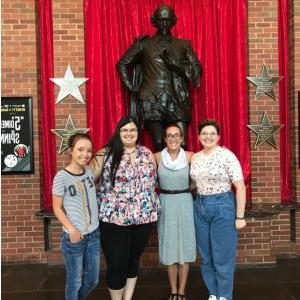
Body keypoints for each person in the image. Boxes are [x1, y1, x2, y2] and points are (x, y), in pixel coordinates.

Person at [90, 116, 160, 300]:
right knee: (116, 264)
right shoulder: (105, 154)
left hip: (143, 216)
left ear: (138, 133)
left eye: (133, 130)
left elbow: (153, 182)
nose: (129, 133)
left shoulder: (146, 153)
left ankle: (127, 298)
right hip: (114, 217)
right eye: (124, 130)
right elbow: (87, 180)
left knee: (133, 259)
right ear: (118, 132)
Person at [117, 4, 202, 151]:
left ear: (173, 21)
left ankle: (183, 174)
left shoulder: (183, 45)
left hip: (178, 98)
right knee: (158, 143)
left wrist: (177, 66)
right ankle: (158, 174)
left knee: (182, 144)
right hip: (151, 98)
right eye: (161, 20)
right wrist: (130, 86)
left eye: (168, 20)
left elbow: (197, 70)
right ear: (154, 21)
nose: (164, 24)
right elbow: (122, 63)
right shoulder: (144, 44)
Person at [190, 119, 247, 300]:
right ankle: (213, 293)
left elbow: (240, 187)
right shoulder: (196, 157)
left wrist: (240, 216)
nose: (208, 137)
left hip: (223, 206)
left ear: (218, 136)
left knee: (223, 256)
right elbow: (194, 183)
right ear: (199, 137)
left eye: (212, 134)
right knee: (206, 256)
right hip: (200, 206)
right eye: (204, 134)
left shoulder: (226, 156)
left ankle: (224, 295)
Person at [52, 133, 100, 300]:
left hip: (94, 235)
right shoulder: (62, 177)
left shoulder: (89, 172)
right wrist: (71, 229)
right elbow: (57, 207)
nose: (85, 154)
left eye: (88, 151)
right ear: (71, 151)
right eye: (80, 149)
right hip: (74, 238)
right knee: (74, 282)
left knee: (93, 280)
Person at [154, 124, 196, 300]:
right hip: (166, 204)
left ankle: (182, 290)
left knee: (185, 247)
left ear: (182, 139)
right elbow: (152, 182)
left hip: (185, 202)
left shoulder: (190, 156)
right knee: (169, 247)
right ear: (164, 139)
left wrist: (184, 189)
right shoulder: (156, 157)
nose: (173, 138)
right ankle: (173, 289)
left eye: (176, 135)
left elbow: (196, 181)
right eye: (169, 136)